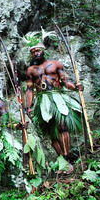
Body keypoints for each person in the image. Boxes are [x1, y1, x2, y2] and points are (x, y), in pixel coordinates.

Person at [25, 37, 83, 174]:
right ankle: (63, 161)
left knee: (63, 127)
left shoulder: (56, 64)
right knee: (52, 133)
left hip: (57, 96)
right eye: (32, 52)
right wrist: (28, 106)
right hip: (42, 101)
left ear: (43, 50)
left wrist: (75, 87)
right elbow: (29, 89)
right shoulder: (31, 70)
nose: (35, 53)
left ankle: (67, 158)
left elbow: (65, 82)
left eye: (37, 50)